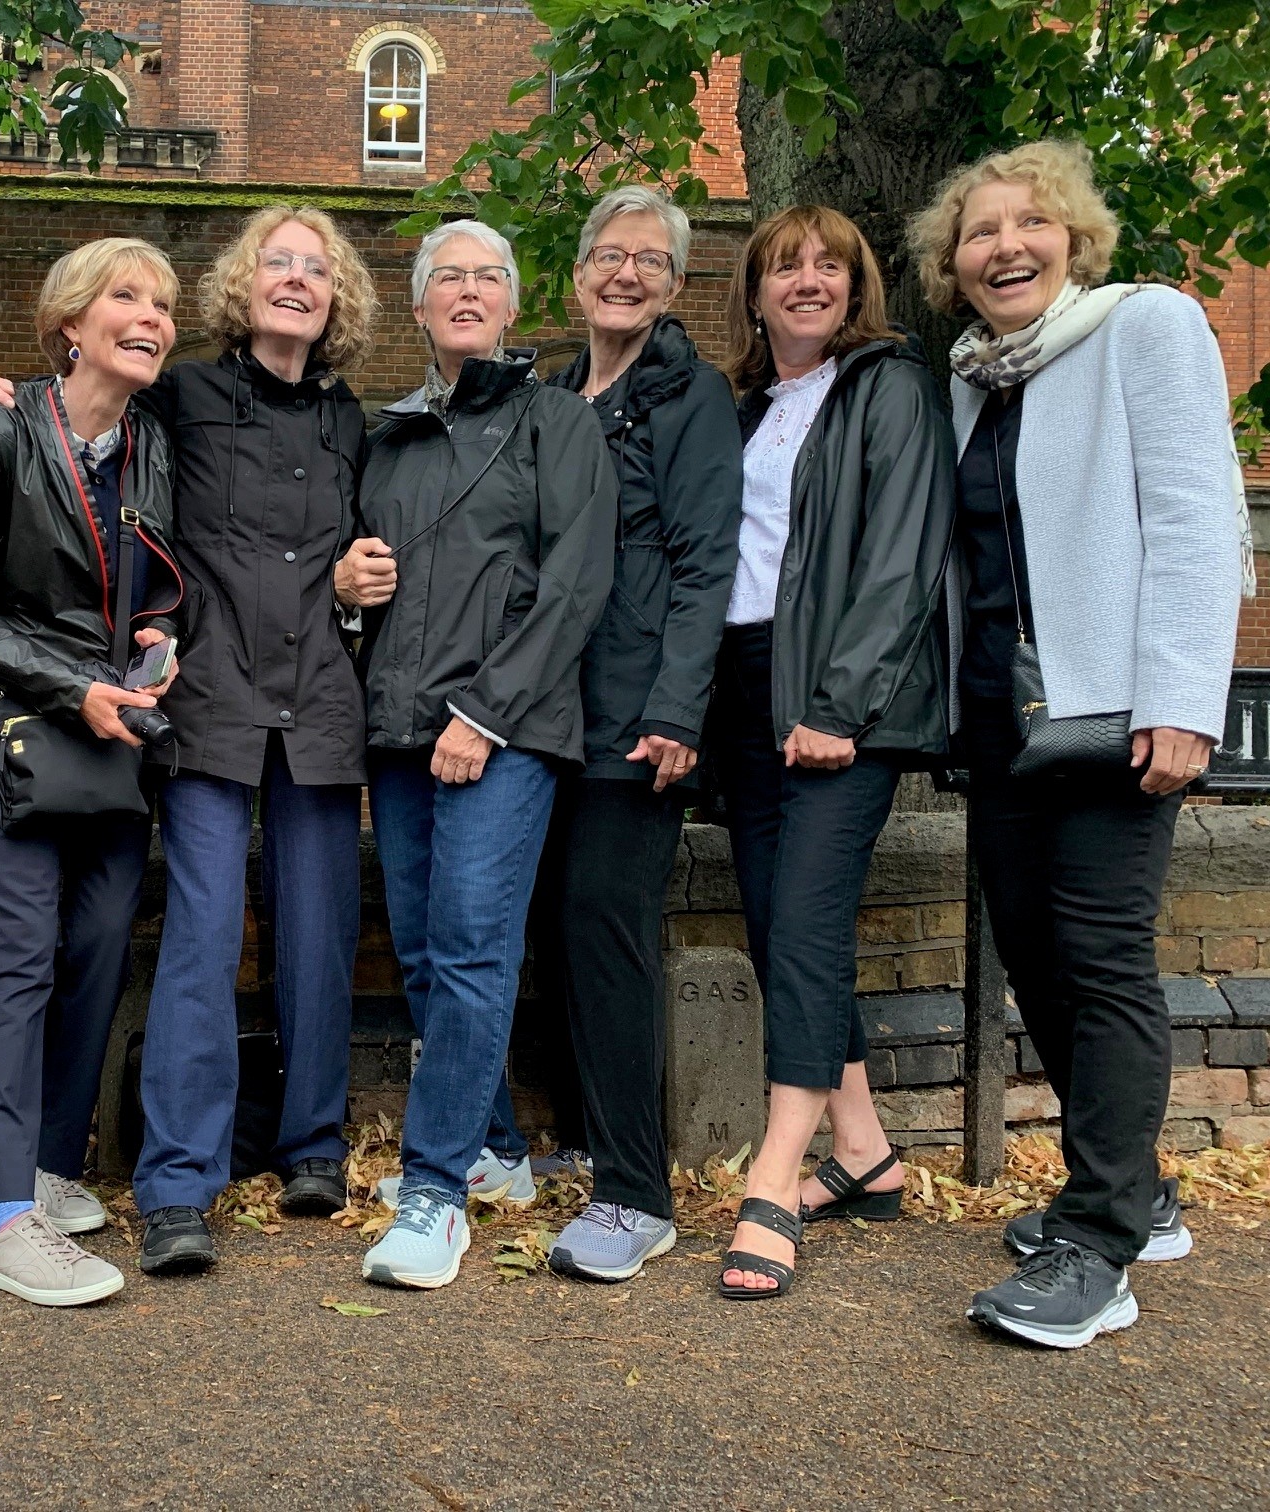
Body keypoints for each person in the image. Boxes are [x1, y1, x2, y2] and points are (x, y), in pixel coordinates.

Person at [0, 209, 379, 1274]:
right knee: (197, 939)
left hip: (319, 700)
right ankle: (179, 1182)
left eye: (314, 268)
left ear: (338, 297)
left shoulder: (351, 422)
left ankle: (314, 1146)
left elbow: (360, 557)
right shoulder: (181, 399)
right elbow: (76, 430)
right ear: (242, 285)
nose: (295, 280)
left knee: (320, 935)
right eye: (277, 262)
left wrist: (348, 590)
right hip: (210, 700)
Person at [907, 140, 1245, 1348]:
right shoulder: (970, 380)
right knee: (1038, 953)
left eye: (1028, 224)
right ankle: (1139, 1186)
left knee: (1101, 957)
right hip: (1004, 720)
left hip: (1117, 707)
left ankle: (1097, 1242)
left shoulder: (1143, 327)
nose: (1005, 246)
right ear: (953, 268)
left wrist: (1184, 700)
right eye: (979, 233)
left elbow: (1201, 519)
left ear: (1074, 239)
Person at [336, 219, 616, 1290]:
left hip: (504, 731)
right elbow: (361, 577)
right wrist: (342, 587)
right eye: (445, 276)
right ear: (417, 307)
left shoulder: (557, 421)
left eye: (487, 277)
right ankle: (497, 1151)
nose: (466, 290)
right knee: (419, 948)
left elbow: (573, 585)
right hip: (401, 732)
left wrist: (485, 716)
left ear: (511, 305)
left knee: (469, 944)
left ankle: (435, 1192)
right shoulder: (390, 436)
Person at [0, 238, 184, 1307]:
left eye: (165, 304)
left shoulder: (154, 446)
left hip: (116, 734)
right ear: (68, 324)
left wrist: (162, 642)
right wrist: (75, 683)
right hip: (12, 730)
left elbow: (162, 583)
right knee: (21, 953)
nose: (153, 316)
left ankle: (50, 1169)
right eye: (128, 296)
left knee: (97, 947)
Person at [708, 205, 954, 1303]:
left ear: (858, 288)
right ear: (755, 292)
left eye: (828, 266)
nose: (807, 281)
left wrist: (841, 701)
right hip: (747, 688)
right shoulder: (747, 405)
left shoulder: (889, 388)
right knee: (774, 923)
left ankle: (774, 1176)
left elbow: (901, 558)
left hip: (836, 698)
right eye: (784, 267)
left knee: (805, 920)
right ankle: (865, 1154)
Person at [529, 184, 744, 1284]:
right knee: (553, 929)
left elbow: (710, 563)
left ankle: (635, 1192)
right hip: (545, 711)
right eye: (607, 256)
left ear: (674, 285)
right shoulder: (557, 390)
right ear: (578, 275)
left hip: (633, 718)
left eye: (649, 262)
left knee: (608, 934)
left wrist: (676, 710)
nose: (625, 274)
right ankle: (580, 1139)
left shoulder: (688, 395)